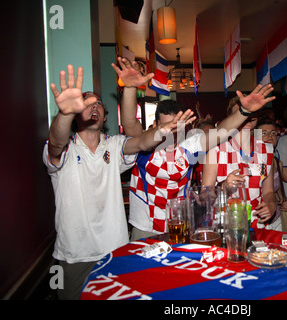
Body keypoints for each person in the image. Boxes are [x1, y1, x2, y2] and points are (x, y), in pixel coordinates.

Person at [43, 63, 193, 299]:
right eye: (86, 104)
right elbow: (55, 143)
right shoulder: (66, 150)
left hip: (115, 251)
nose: (94, 108)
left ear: (105, 116)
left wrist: (134, 92)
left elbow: (142, 142)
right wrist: (64, 113)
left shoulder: (114, 144)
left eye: (98, 105)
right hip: (75, 254)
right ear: (74, 114)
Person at [116, 66, 276, 239]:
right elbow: (130, 123)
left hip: (180, 223)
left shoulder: (189, 146)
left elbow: (221, 132)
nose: (171, 132)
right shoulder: (144, 145)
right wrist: (130, 88)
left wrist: (244, 111)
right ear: (155, 125)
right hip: (144, 226)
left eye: (177, 126)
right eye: (166, 127)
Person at [202, 97, 276, 229]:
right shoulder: (216, 150)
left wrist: (271, 205)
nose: (247, 117)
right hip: (225, 223)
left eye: (251, 113)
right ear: (232, 118)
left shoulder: (267, 149)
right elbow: (204, 197)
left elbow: (268, 191)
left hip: (257, 223)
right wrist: (223, 187)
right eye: (242, 113)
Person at [256, 118, 287, 231]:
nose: (269, 136)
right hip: (257, 219)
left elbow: (277, 193)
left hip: (275, 219)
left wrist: (286, 202)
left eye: (273, 133)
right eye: (264, 133)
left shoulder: (277, 162)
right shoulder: (252, 161)